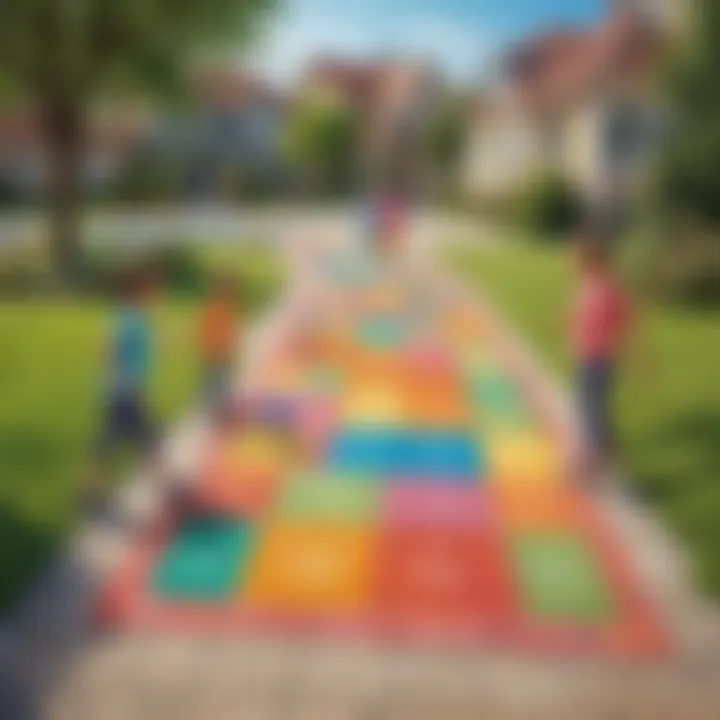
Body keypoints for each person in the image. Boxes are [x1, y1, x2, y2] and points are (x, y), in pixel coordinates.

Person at [89, 267, 158, 505]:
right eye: (149, 291)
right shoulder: (130, 318)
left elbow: (112, 349)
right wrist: (121, 380)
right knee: (145, 439)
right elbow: (108, 349)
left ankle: (91, 489)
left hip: (123, 391)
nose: (153, 296)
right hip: (124, 392)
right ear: (137, 292)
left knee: (111, 442)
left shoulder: (133, 317)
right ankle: (162, 490)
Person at [571, 231, 633, 485]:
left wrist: (633, 353)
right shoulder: (587, 285)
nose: (574, 266)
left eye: (579, 261)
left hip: (599, 360)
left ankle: (590, 463)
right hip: (585, 356)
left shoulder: (607, 289)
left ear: (595, 261)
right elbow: (582, 316)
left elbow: (624, 321)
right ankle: (608, 453)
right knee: (588, 407)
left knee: (591, 410)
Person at [199, 273, 239, 412]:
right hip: (216, 353)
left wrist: (230, 350)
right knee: (215, 381)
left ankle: (217, 406)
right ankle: (214, 407)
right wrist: (214, 350)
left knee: (219, 381)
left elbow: (230, 333)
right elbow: (209, 333)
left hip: (220, 353)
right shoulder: (216, 310)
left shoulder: (226, 309)